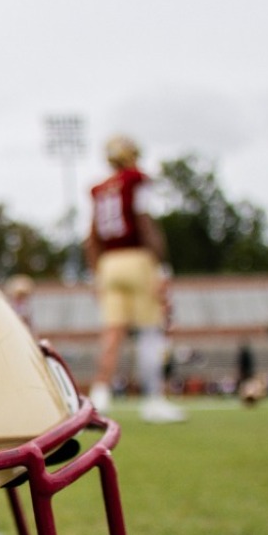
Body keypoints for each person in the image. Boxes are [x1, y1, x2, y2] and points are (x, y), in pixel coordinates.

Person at [85, 135, 184, 423]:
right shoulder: (135, 179)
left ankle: (100, 395)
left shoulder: (100, 189)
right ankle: (153, 399)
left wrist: (96, 274)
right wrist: (161, 265)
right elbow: (143, 221)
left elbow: (91, 237)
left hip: (108, 264)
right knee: (150, 330)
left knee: (112, 333)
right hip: (137, 259)